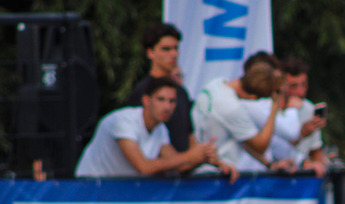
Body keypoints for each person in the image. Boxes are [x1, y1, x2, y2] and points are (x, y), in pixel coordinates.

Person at [75, 77, 220, 178]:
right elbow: (144, 167)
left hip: (116, 193)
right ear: (146, 100)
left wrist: (204, 158)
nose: (167, 107)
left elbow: (177, 163)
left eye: (172, 101)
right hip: (89, 190)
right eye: (161, 99)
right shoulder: (123, 121)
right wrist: (190, 156)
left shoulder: (161, 129)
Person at [191, 53, 283, 177]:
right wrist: (274, 107)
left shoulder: (216, 83)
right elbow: (261, 146)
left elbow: (242, 138)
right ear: (253, 97)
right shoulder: (232, 108)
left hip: (201, 169)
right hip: (213, 175)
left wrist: (269, 164)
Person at [126, 23, 195, 153]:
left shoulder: (181, 91)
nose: (174, 54)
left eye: (176, 48)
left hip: (184, 169)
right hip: (157, 169)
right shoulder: (141, 92)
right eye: (166, 49)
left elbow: (190, 135)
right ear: (150, 52)